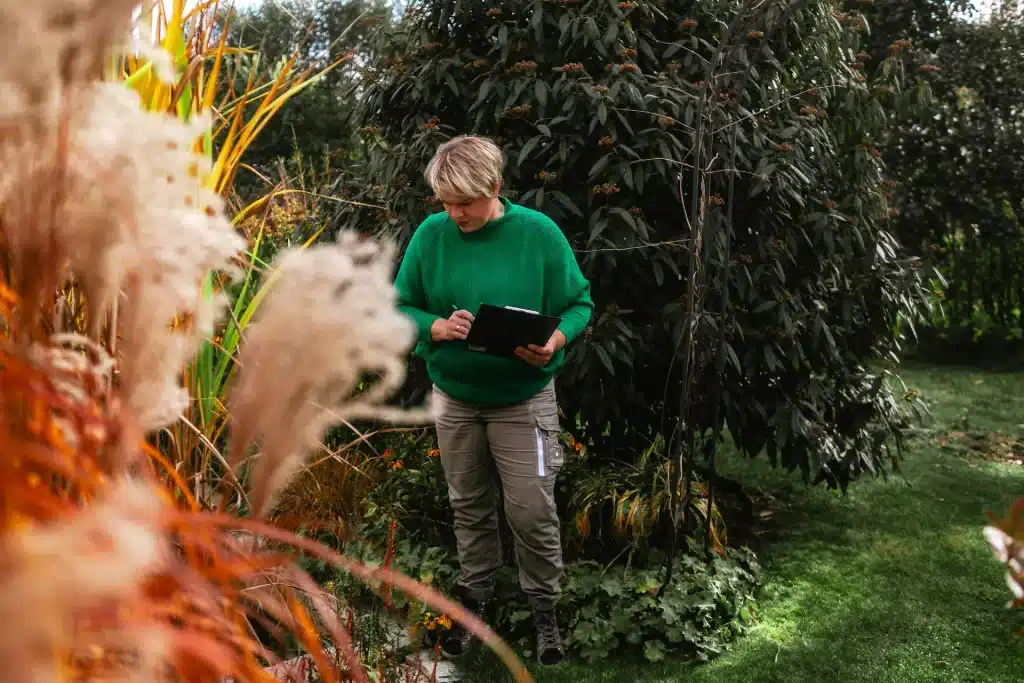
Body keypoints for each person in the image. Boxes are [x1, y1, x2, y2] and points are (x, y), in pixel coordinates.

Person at [393, 135, 593, 666]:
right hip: (455, 399)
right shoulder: (432, 236)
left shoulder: (538, 234)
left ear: (496, 188)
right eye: (446, 203)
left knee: (531, 509)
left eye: (466, 203)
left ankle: (543, 607)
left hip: (523, 399)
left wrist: (555, 340)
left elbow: (579, 303)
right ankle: (475, 599)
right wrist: (434, 326)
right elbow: (399, 305)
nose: (455, 213)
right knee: (468, 504)